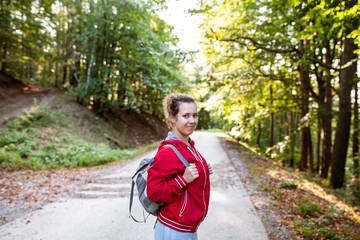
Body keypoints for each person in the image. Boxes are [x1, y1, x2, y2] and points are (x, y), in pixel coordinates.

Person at [147, 93, 213, 240]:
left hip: (187, 229)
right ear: (172, 117)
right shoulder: (168, 151)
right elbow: (153, 191)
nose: (192, 121)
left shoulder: (188, 145)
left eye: (195, 115)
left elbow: (187, 173)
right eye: (186, 116)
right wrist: (183, 180)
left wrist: (203, 171)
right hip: (174, 230)